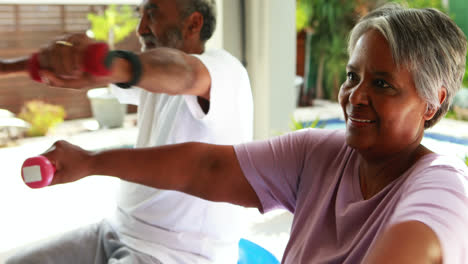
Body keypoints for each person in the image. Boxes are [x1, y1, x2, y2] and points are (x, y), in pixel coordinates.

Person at [9, 3, 468, 264]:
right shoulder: (320, 152)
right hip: (116, 230)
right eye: (353, 76)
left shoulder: (441, 185)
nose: (356, 95)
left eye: (382, 84)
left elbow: (414, 248)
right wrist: (89, 162)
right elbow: (206, 165)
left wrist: (115, 65)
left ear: (432, 103)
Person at [6, 0, 253, 263]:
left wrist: (115, 64)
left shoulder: (225, 69)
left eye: (153, 14)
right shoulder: (150, 78)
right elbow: (117, 73)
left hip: (180, 253)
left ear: (193, 23)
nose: (140, 28)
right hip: (116, 231)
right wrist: (23, 65)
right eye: (141, 14)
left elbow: (185, 73)